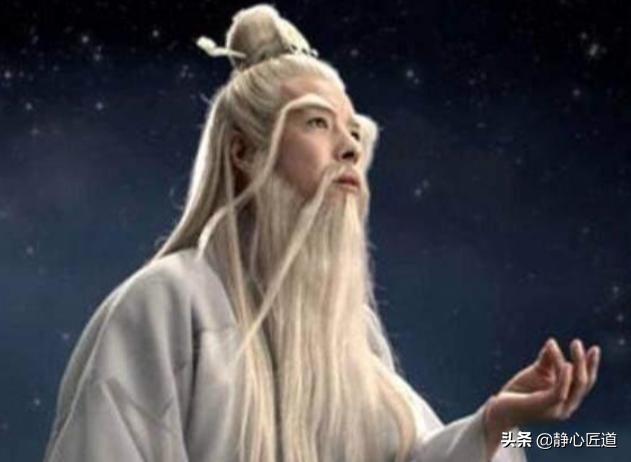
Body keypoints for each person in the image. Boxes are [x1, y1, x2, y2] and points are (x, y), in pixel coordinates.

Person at [42, 4, 601, 462]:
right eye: (317, 123)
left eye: (354, 132)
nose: (350, 148)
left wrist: (497, 424)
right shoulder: (166, 305)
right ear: (243, 152)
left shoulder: (346, 339)